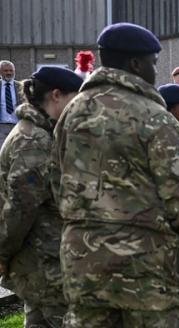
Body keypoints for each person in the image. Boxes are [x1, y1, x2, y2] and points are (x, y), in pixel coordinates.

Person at [52, 22, 179, 327]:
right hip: (146, 267)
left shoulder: (72, 112)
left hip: (83, 262)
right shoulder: (154, 117)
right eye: (153, 63)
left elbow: (57, 180)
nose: (154, 71)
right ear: (135, 64)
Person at [0, 66, 82, 328]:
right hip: (43, 257)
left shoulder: (45, 132)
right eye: (75, 99)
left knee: (38, 320)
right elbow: (20, 207)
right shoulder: (33, 141)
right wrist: (3, 254)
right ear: (56, 95)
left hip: (47, 253)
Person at [0, 60, 26, 145]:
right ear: (0, 72)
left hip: (18, 125)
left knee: (16, 151)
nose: (9, 73)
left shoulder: (20, 87)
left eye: (11, 70)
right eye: (6, 70)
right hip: (1, 126)